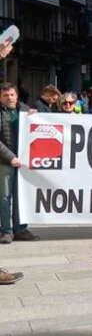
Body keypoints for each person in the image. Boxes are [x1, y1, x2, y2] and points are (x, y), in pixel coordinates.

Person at [0, 83, 39, 245]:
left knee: (22, 196)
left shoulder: (25, 110)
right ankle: (6, 231)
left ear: (17, 96)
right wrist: (10, 157)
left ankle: (21, 229)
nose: (9, 98)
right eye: (5, 95)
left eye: (11, 94)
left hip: (23, 162)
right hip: (5, 162)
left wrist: (37, 117)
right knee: (4, 197)